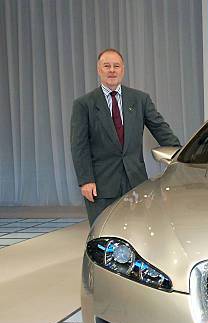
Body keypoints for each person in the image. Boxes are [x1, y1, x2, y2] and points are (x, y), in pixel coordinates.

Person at [70, 48, 180, 225]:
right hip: (101, 184)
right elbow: (79, 146)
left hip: (135, 181)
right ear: (99, 70)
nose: (112, 70)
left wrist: (181, 156)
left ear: (123, 70)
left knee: (138, 230)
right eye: (107, 66)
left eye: (116, 66)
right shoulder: (84, 104)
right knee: (104, 232)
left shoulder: (140, 99)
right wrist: (85, 181)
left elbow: (161, 130)